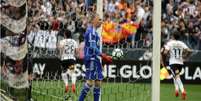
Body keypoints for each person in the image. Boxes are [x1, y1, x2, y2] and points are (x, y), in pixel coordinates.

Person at [78, 13, 112, 101]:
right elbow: (92, 47)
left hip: (95, 58)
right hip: (91, 58)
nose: (101, 21)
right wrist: (103, 55)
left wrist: (102, 59)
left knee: (98, 82)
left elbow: (94, 47)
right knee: (90, 82)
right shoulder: (91, 31)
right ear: (93, 20)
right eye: (99, 19)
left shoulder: (95, 33)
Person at [162, 32, 192, 100]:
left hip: (173, 62)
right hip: (180, 63)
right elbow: (189, 51)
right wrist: (186, 57)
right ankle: (176, 90)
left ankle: (183, 91)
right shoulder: (181, 43)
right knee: (175, 76)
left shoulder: (170, 43)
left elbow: (165, 52)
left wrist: (167, 55)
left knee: (177, 77)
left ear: (173, 36)